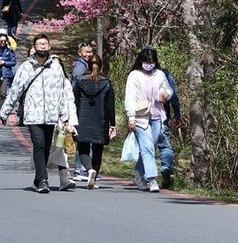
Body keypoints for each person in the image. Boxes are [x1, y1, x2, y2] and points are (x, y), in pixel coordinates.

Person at [0, 34, 77, 193]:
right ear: (34, 47)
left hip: (50, 116)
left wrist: (65, 116)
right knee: (39, 144)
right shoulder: (26, 67)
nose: (42, 46)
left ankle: (37, 178)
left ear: (49, 47)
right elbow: (15, 90)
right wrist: (4, 112)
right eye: (39, 44)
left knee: (46, 146)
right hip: (32, 115)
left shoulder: (56, 67)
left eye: (45, 44)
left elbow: (61, 93)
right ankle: (43, 180)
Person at [124, 46, 173, 193]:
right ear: (141, 61)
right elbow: (130, 98)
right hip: (141, 117)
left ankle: (139, 175)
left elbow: (169, 90)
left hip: (157, 116)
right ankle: (151, 179)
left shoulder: (159, 75)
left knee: (150, 148)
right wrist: (131, 118)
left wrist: (165, 94)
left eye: (151, 61)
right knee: (146, 148)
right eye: (146, 61)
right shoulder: (134, 76)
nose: (149, 64)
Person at [73, 52, 116, 189]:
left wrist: (72, 119)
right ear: (101, 65)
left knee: (82, 147)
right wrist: (112, 124)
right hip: (101, 120)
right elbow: (110, 106)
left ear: (88, 65)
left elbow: (75, 102)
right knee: (98, 149)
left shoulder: (80, 81)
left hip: (82, 119)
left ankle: (89, 169)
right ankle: (94, 177)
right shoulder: (107, 83)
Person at [70, 41, 94, 180]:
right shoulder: (80, 67)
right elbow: (76, 87)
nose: (89, 55)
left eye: (90, 52)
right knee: (83, 139)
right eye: (86, 52)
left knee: (83, 139)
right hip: (80, 107)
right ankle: (80, 169)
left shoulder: (85, 66)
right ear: (80, 53)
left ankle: (82, 168)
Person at [156, 66, 182, 188]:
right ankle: (166, 167)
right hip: (163, 117)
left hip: (144, 117)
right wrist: (177, 115)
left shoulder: (139, 74)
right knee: (165, 146)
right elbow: (174, 97)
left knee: (146, 148)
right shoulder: (165, 75)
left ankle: (145, 175)